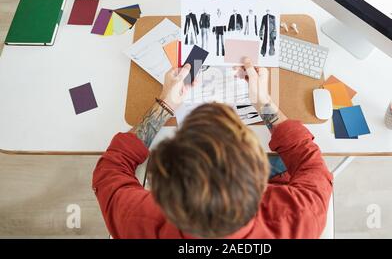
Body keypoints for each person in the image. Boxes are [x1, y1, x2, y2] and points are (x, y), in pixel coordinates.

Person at [92, 59, 333, 239]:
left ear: (163, 194)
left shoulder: (136, 221)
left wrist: (165, 104)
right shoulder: (301, 215)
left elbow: (111, 168)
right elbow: (310, 163)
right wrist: (263, 102)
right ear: (261, 186)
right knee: (283, 162)